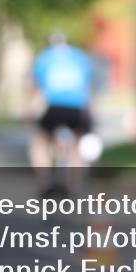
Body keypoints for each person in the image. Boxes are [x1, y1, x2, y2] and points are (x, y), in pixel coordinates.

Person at [30, 30, 96, 197]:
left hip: (53, 106)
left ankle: (44, 180)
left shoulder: (44, 58)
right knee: (77, 144)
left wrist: (30, 112)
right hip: (76, 108)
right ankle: (75, 184)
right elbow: (88, 90)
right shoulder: (80, 58)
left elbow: (37, 90)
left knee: (40, 140)